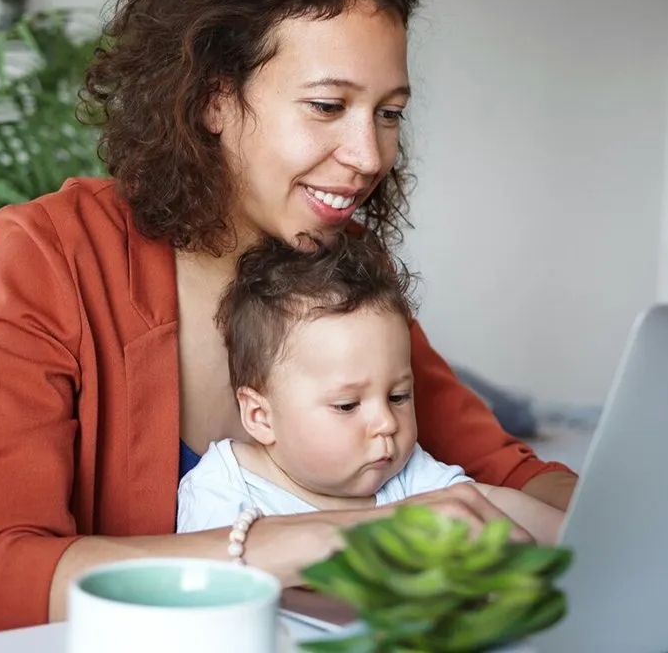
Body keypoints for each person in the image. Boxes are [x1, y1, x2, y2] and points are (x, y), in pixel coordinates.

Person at [0, 0, 577, 640]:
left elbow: (511, 475)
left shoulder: (341, 266)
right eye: (327, 105)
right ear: (213, 99)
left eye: (388, 112)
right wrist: (323, 539)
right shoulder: (62, 251)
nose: (369, 156)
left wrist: (616, 521)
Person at [176, 232, 564, 544]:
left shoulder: (406, 475)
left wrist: (571, 536)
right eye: (347, 405)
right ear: (261, 416)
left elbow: (489, 505)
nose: (387, 423)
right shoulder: (224, 488)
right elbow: (214, 585)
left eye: (398, 397)